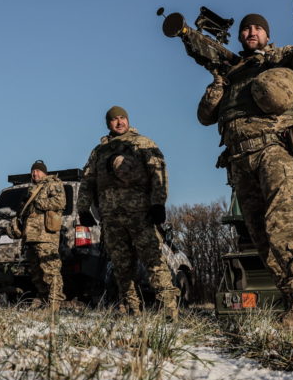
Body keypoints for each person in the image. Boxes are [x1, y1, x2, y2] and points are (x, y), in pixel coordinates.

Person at [196, 0, 293, 326]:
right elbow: (205, 117)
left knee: (282, 222)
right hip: (239, 159)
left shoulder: (278, 58)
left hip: (275, 151)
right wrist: (218, 81)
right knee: (259, 233)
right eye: (246, 29)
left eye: (257, 28)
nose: (251, 32)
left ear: (266, 34)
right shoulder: (231, 72)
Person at [77, 107, 179, 320]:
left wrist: (158, 204)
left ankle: (168, 309)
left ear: (128, 120)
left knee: (154, 261)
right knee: (122, 267)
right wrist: (83, 209)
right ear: (108, 124)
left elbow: (158, 172)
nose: (119, 122)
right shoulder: (98, 152)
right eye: (114, 120)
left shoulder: (143, 143)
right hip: (111, 217)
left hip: (141, 214)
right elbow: (88, 181)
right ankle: (131, 309)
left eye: (122, 118)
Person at [17, 160, 66, 311]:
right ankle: (44, 300)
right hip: (31, 237)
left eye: (38, 171)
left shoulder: (53, 184)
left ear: (44, 172)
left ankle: (55, 303)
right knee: (36, 272)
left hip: (46, 236)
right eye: (33, 171)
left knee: (50, 269)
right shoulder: (32, 188)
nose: (35, 173)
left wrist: (38, 201)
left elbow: (60, 202)